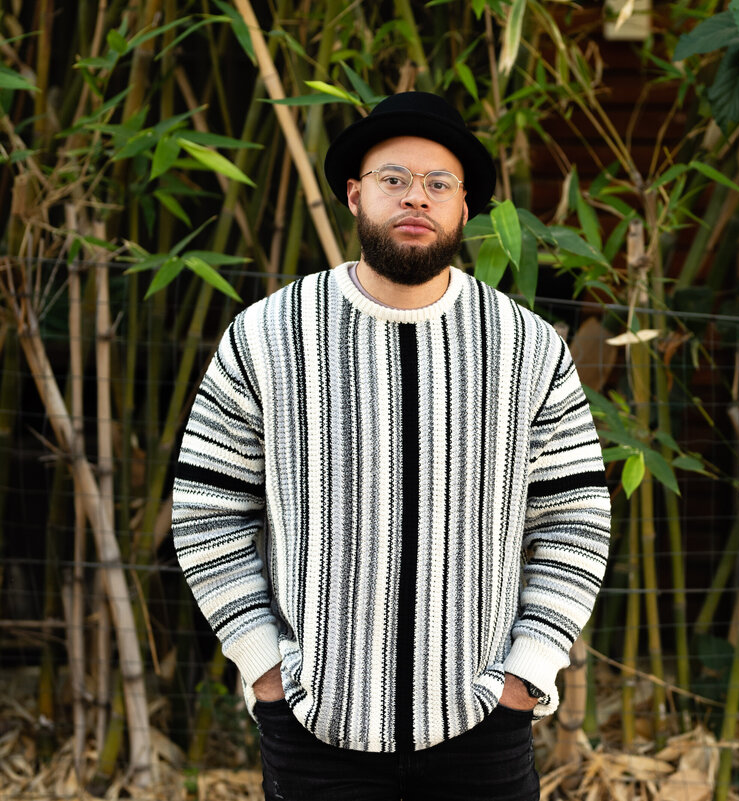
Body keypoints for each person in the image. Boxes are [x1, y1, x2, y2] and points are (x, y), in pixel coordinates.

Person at [172, 91, 611, 800]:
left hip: (483, 729)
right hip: (314, 727)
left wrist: (528, 672)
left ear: (464, 207)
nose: (418, 198)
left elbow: (575, 520)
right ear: (354, 194)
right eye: (394, 179)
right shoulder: (267, 337)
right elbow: (207, 510)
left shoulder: (525, 348)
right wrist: (265, 670)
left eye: (439, 184)